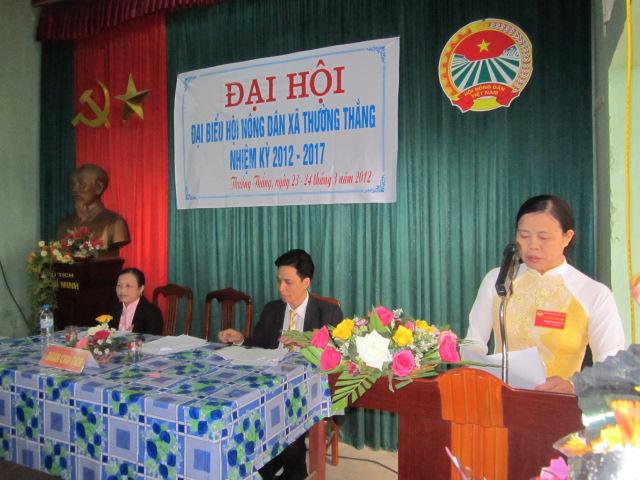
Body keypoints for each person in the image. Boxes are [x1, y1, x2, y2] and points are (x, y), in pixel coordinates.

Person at [465, 194, 625, 394]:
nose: (532, 245)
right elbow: (474, 342)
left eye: (543, 237)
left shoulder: (594, 294)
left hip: (559, 405)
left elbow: (612, 366)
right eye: (524, 236)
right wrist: (472, 365)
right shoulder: (498, 280)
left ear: (567, 237)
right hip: (499, 400)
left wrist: (575, 385)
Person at [219, 249, 343, 480]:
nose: (281, 288)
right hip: (268, 382)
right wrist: (241, 339)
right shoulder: (272, 309)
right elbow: (258, 346)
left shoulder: (328, 312)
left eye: (288, 282)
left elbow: (336, 358)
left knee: (287, 413)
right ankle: (261, 462)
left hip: (308, 387)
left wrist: (307, 343)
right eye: (278, 281)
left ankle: (293, 470)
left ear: (306, 282)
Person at [56, 164, 130, 252]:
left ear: (98, 188)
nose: (74, 189)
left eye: (81, 184)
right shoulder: (64, 225)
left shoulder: (115, 223)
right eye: (73, 184)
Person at [106, 268, 163, 335]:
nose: (122, 290)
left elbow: (152, 339)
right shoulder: (112, 310)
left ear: (141, 288)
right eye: (119, 285)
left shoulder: (152, 312)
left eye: (128, 286)